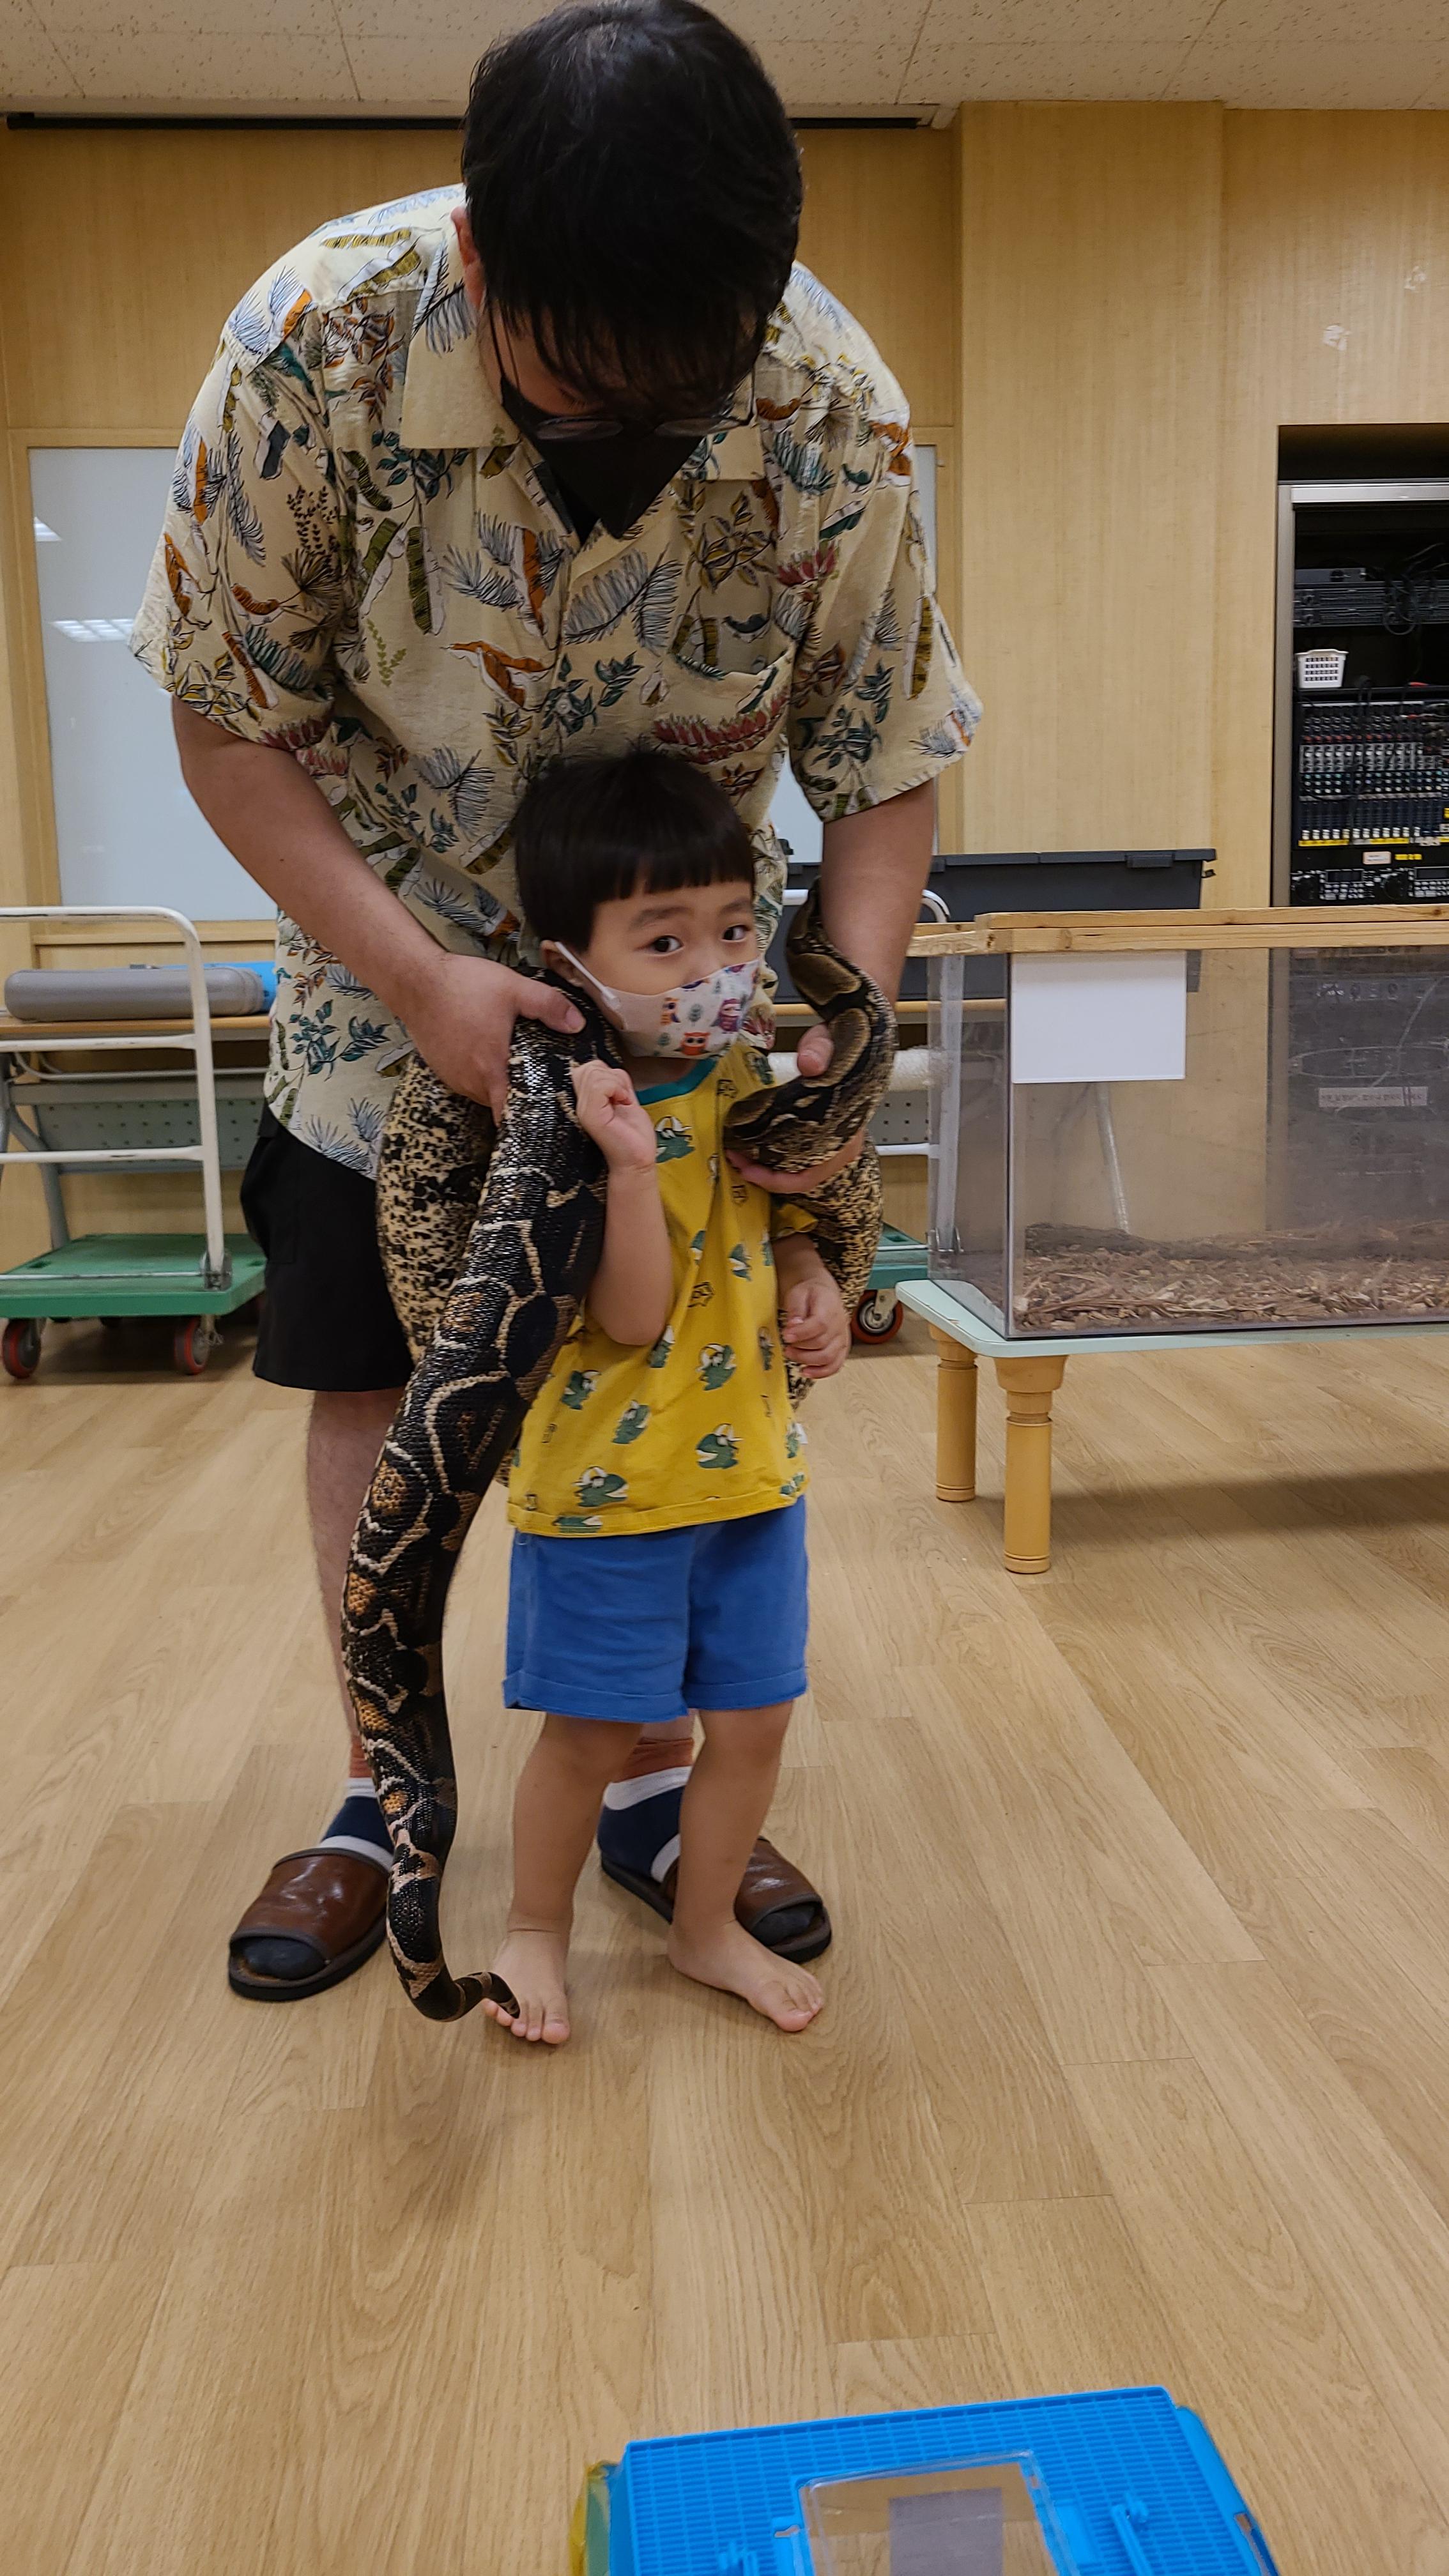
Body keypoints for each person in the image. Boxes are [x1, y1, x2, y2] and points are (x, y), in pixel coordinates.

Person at [132, 0, 979, 2000]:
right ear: (481, 261)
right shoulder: (309, 352)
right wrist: (419, 973)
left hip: (685, 970)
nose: (633, 444)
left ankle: (649, 1784)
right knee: (373, 1381)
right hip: (390, 965)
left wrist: (845, 1034)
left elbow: (881, 759)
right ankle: (388, 1795)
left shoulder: (828, 402)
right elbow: (226, 724)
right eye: (582, 394)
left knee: (685, 1367)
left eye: (682, 402)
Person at [489, 747, 845, 2042]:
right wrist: (631, 1170)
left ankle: (703, 1928)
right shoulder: (564, 1116)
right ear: (568, 965)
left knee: (753, 1723)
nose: (714, 967)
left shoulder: (744, 1077)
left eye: (735, 929)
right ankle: (535, 1931)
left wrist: (810, 1279)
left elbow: (778, 1219)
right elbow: (630, 1316)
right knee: (590, 1736)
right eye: (663, 939)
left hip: (749, 1474)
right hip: (609, 1492)